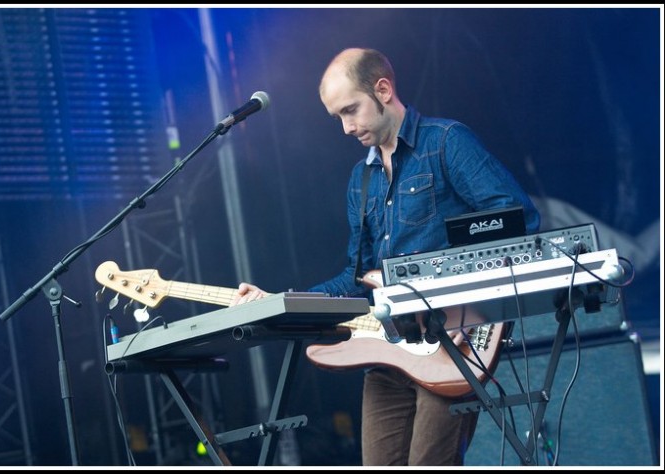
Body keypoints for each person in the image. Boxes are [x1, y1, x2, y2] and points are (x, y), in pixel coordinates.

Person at [231, 47, 541, 466]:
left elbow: (517, 219)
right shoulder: (361, 180)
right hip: (386, 355)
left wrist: (453, 298)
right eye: (337, 117)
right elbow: (356, 277)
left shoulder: (447, 142)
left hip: (452, 341)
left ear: (383, 89)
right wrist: (281, 301)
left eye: (350, 110)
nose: (345, 127)